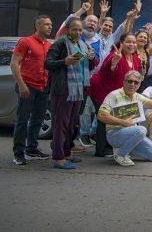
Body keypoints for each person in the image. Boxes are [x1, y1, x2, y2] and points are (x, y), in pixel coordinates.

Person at [97, 71, 152, 166]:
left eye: (136, 82)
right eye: (130, 81)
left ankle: (125, 149)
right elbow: (101, 115)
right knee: (142, 130)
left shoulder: (138, 97)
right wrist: (123, 122)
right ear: (124, 82)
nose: (132, 84)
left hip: (133, 134)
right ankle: (120, 154)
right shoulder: (114, 95)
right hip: (115, 134)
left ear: (139, 85)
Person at [45, 17, 95, 169]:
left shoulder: (82, 44)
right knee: (61, 124)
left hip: (78, 89)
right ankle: (59, 158)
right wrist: (64, 62)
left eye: (80, 30)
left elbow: (87, 66)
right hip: (63, 89)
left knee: (72, 124)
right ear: (67, 30)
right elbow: (47, 63)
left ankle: (67, 153)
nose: (78, 32)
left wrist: (91, 59)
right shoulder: (61, 43)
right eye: (75, 29)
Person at [89, 33, 141, 157]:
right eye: (128, 42)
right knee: (104, 119)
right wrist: (114, 63)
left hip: (117, 94)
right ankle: (101, 150)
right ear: (121, 43)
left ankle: (110, 145)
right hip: (102, 90)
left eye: (134, 42)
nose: (132, 45)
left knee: (116, 118)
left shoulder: (135, 59)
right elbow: (109, 71)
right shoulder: (115, 55)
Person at [11, 15, 53, 165]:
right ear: (37, 26)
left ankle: (31, 149)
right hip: (27, 85)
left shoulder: (48, 45)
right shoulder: (25, 41)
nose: (50, 27)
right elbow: (14, 64)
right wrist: (22, 85)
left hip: (43, 87)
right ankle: (18, 153)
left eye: (51, 24)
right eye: (47, 24)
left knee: (38, 120)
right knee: (22, 120)